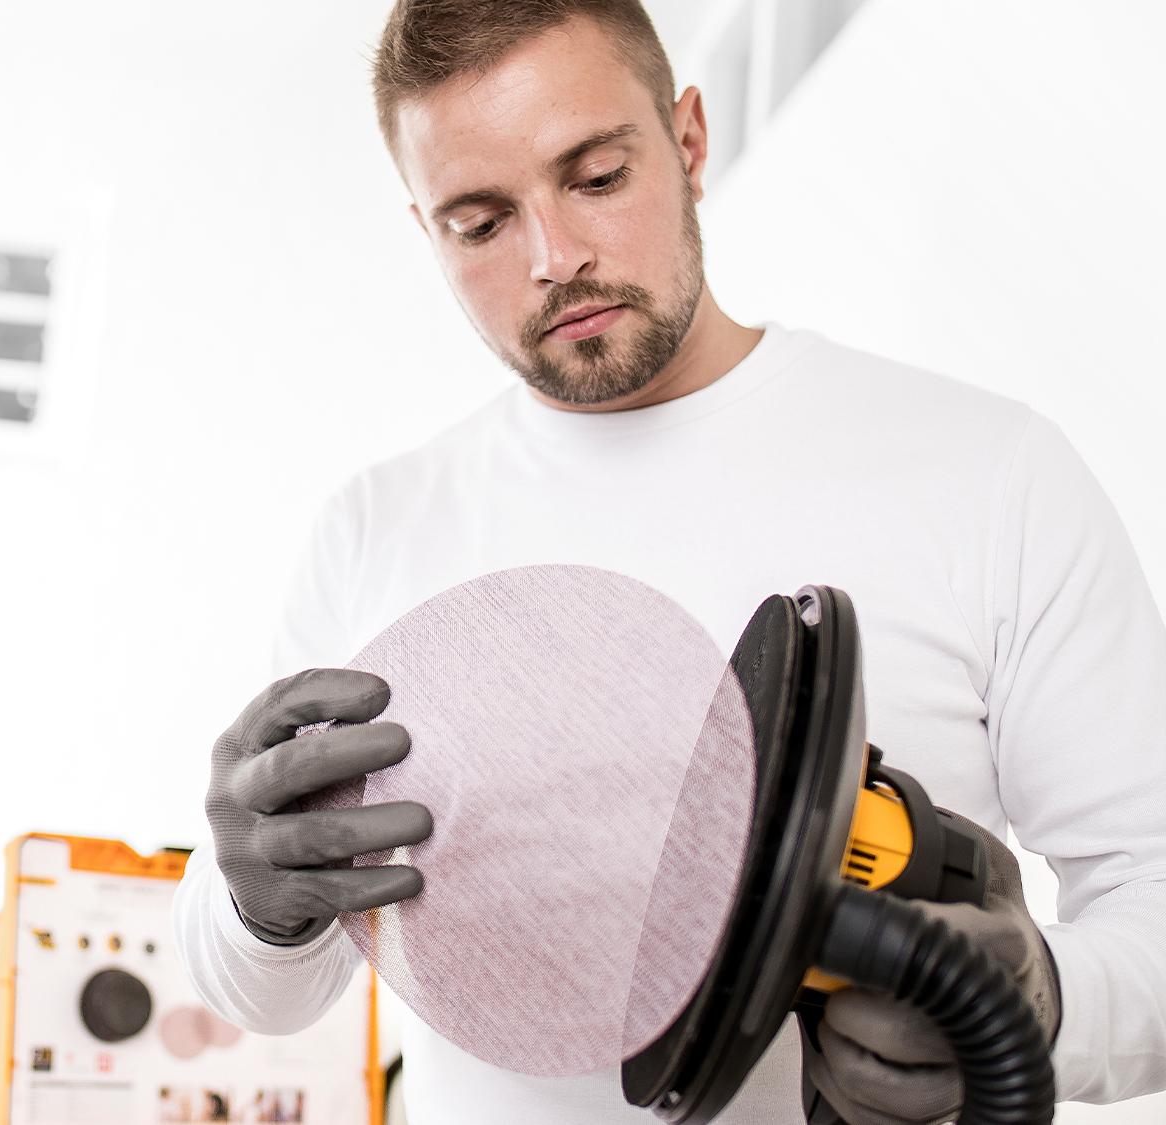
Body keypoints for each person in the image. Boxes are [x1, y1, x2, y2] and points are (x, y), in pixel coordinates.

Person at [169, 1, 1166, 1122]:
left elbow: (1149, 887)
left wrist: (1036, 1002)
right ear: (426, 230)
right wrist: (255, 903)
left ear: (686, 140)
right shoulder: (376, 529)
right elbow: (269, 996)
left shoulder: (987, 472)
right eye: (480, 222)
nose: (555, 259)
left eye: (593, 177)